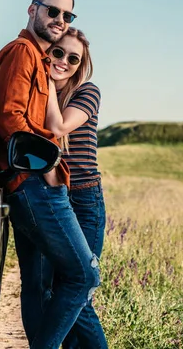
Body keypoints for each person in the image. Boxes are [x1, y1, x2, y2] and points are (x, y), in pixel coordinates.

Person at [0, 0, 100, 349]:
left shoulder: (40, 61)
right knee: (83, 277)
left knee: (45, 283)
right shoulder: (23, 52)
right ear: (33, 9)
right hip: (35, 185)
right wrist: (48, 166)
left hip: (36, 186)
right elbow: (9, 118)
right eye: (52, 10)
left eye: (67, 14)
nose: (60, 19)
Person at [43, 27, 108, 348]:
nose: (64, 61)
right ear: (47, 52)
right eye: (58, 52)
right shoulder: (38, 96)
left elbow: (59, 126)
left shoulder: (88, 91)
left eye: (73, 58)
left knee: (79, 289)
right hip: (52, 199)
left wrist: (43, 79)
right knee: (61, 289)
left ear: (81, 64)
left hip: (84, 201)